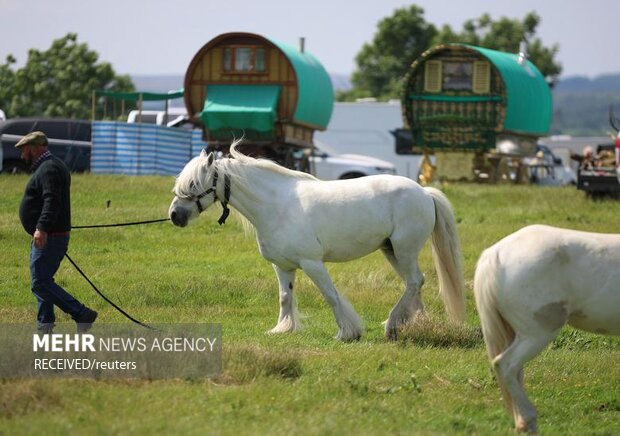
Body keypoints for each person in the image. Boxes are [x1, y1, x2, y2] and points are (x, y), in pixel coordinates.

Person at [16, 131, 97, 334]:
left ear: (34, 148)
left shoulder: (49, 168)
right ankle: (45, 327)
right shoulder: (50, 166)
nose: (21, 156)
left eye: (24, 150)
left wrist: (42, 228)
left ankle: (81, 313)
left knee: (40, 283)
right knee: (42, 281)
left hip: (49, 236)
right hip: (49, 235)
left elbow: (52, 200)